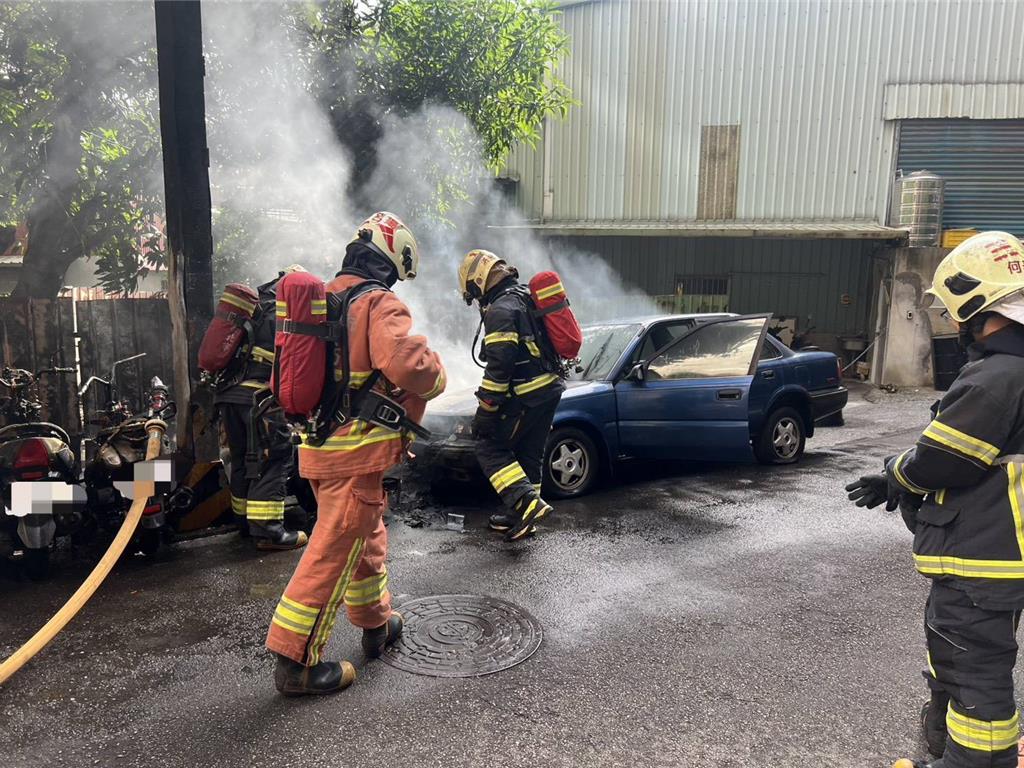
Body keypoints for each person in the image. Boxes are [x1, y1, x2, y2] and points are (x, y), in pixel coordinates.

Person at [846, 231, 1024, 768]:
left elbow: (945, 458)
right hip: (1002, 552)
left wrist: (893, 475)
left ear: (977, 302)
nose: (954, 325)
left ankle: (970, 763)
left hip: (984, 555)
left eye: (956, 313)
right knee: (959, 656)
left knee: (973, 669)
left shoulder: (999, 375)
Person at [266, 212, 446, 696]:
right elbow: (407, 365)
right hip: (355, 452)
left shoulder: (327, 298)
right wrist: (438, 374)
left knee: (364, 540)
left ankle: (376, 624)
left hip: (322, 448)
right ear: (390, 261)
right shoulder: (377, 302)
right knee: (332, 548)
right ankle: (294, 662)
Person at [457, 249, 565, 541]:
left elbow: (499, 368)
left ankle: (526, 503)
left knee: (488, 445)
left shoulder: (501, 309)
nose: (476, 298)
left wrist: (486, 411)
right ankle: (522, 515)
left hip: (526, 394)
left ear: (479, 279)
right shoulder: (525, 297)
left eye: (473, 291)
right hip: (549, 390)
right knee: (530, 451)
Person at [214, 266, 308, 552]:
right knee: (274, 457)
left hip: (229, 397)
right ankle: (269, 532)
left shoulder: (253, 307)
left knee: (242, 459)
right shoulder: (287, 313)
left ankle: (244, 522)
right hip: (260, 400)